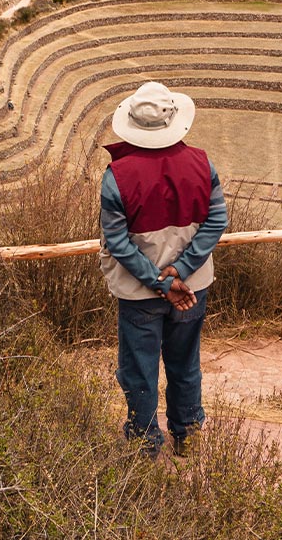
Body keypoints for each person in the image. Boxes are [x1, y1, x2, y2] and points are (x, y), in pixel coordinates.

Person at [99, 81, 228, 457]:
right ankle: (187, 434)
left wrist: (158, 282)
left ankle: (145, 446)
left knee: (139, 369)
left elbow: (117, 242)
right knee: (185, 361)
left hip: (139, 293)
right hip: (192, 288)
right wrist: (181, 271)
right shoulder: (203, 164)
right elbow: (217, 220)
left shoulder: (116, 177)